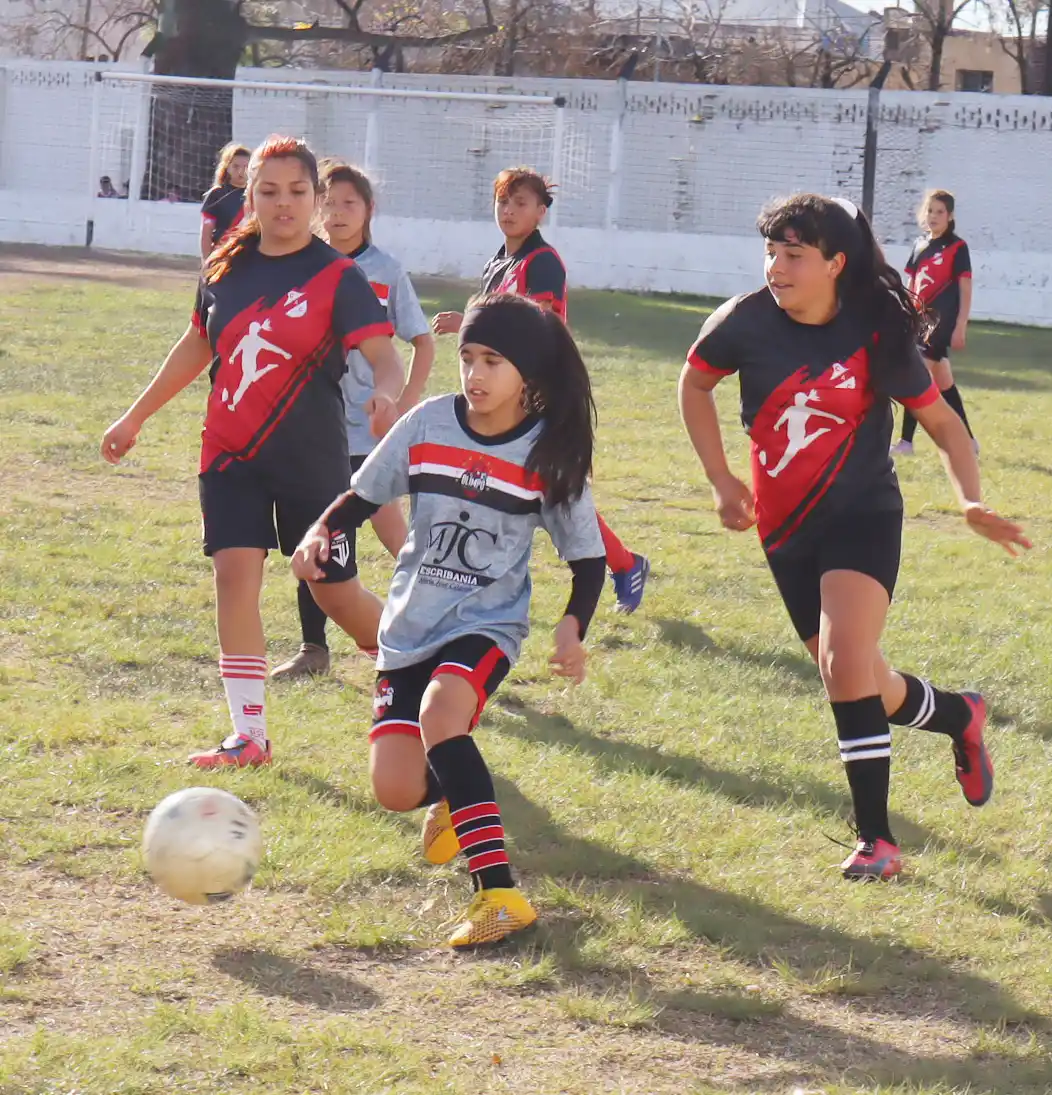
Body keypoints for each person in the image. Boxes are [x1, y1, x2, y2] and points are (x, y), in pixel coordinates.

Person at [678, 194, 1030, 881]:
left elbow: (945, 425)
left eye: (794, 255)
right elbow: (693, 385)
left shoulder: (875, 330)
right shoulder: (743, 321)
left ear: (836, 262)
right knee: (861, 677)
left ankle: (878, 840)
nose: (776, 268)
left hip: (863, 516)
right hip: (784, 527)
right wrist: (722, 480)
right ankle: (960, 715)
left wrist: (971, 500)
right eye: (771, 253)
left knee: (844, 664)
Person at [292, 292, 606, 947]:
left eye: (493, 360)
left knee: (442, 715)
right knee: (394, 789)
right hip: (408, 629)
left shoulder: (547, 453)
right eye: (467, 357)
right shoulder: (430, 422)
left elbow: (587, 559)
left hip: (484, 626)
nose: (475, 373)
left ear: (529, 374)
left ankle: (498, 894)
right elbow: (360, 497)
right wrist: (320, 535)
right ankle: (454, 794)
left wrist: (572, 626)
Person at [100, 135, 408, 769]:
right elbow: (195, 347)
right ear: (250, 196)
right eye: (268, 191)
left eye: (297, 192)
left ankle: (421, 675)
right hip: (230, 453)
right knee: (234, 576)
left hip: (311, 463)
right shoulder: (224, 269)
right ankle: (249, 736)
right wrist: (134, 416)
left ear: (317, 199)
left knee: (334, 591)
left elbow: (384, 356)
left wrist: (384, 394)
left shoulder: (338, 275)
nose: (283, 204)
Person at [432, 167, 650, 614]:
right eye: (503, 202)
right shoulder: (500, 260)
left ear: (541, 212)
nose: (509, 211)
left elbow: (538, 322)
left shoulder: (542, 261)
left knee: (555, 490)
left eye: (521, 203)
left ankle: (623, 564)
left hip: (541, 388)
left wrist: (469, 321)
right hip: (506, 391)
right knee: (536, 486)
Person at [273, 160, 436, 681]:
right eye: (329, 201)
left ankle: (438, 626)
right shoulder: (301, 264)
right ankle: (313, 649)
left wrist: (404, 401)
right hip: (313, 429)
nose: (337, 212)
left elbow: (422, 339)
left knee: (400, 540)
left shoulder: (385, 271)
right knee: (314, 532)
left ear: (369, 209)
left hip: (370, 435)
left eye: (350, 202)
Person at [893, 188, 976, 456]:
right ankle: (969, 442)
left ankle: (906, 442)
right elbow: (911, 284)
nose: (934, 216)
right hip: (920, 322)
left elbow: (965, 287)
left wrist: (961, 325)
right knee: (944, 382)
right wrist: (905, 312)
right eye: (930, 211)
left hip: (940, 324)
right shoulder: (919, 246)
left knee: (915, 373)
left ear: (950, 216)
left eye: (940, 212)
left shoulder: (957, 248)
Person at [200, 143, 251, 260]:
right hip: (222, 257)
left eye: (246, 167)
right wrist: (207, 263)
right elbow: (206, 234)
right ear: (227, 167)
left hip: (249, 260)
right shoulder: (216, 194)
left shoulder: (257, 195)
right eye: (236, 166)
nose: (241, 171)